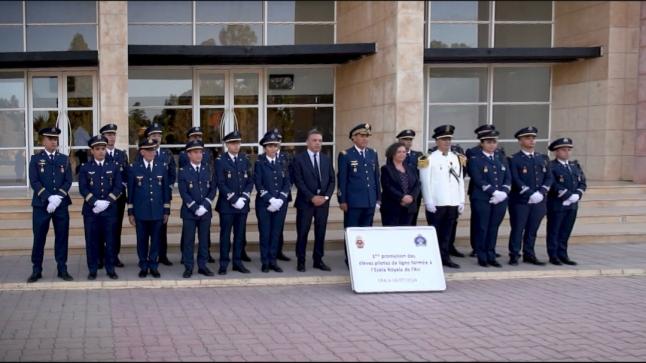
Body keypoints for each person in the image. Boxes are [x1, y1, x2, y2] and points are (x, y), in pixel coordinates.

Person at [27, 127, 73, 283]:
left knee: (62, 237)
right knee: (39, 237)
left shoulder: (64, 159)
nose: (54, 141)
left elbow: (68, 181)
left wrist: (58, 198)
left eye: (56, 139)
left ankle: (62, 268)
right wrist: (48, 198)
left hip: (60, 205)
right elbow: (34, 181)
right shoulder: (35, 159)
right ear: (43, 141)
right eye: (51, 139)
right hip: (41, 206)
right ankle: (36, 269)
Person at [420, 125, 465, 268]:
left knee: (447, 233)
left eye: (449, 139)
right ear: (437, 141)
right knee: (434, 232)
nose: (447, 142)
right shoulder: (427, 158)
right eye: (444, 139)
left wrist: (461, 200)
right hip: (437, 203)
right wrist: (428, 201)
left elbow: (460, 181)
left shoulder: (457, 158)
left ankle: (445, 257)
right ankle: (432, 258)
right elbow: (425, 182)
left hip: (452, 202)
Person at [79, 135, 123, 280]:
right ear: (92, 151)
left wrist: (107, 202)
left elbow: (118, 187)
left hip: (109, 211)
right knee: (92, 241)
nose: (101, 152)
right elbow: (83, 188)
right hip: (91, 212)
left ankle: (110, 269)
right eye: (97, 149)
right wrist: (95, 202)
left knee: (110, 241)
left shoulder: (114, 166)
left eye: (103, 148)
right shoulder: (85, 168)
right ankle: (92, 269)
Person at [507, 126, 553, 266]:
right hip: (520, 200)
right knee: (518, 228)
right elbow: (515, 179)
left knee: (532, 229)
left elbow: (549, 177)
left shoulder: (542, 158)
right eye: (527, 138)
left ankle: (529, 254)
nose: (531, 141)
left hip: (539, 200)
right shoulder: (514, 159)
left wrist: (541, 192)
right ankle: (514, 254)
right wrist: (529, 193)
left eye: (533, 138)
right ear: (520, 141)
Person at [337, 123, 381, 265]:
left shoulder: (372, 153)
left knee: (367, 230)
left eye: (367, 136)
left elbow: (376, 177)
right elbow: (342, 179)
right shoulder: (346, 155)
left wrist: (378, 198)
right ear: (353, 138)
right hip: (353, 201)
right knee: (352, 231)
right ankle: (351, 258)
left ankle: (364, 257)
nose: (365, 139)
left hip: (369, 200)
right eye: (361, 136)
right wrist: (342, 200)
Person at [292, 129, 335, 272]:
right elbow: (298, 181)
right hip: (305, 202)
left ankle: (318, 260)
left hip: (323, 203)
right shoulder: (299, 159)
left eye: (320, 141)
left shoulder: (326, 159)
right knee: (303, 232)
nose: (317, 143)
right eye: (314, 140)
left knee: (320, 232)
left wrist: (326, 197)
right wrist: (312, 197)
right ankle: (301, 261)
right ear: (307, 142)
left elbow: (332, 180)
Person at [467, 129, 511, 268]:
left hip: (500, 198)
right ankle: (482, 256)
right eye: (488, 142)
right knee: (482, 227)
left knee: (493, 227)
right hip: (482, 198)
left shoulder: (500, 157)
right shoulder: (475, 159)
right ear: (482, 143)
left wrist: (503, 192)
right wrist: (493, 192)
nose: (492, 145)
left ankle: (491, 254)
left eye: (494, 142)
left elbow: (508, 177)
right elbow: (477, 179)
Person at [127, 139, 171, 278]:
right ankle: (143, 265)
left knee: (156, 240)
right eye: (149, 150)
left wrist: (166, 210)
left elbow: (165, 191)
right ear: (142, 152)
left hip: (157, 211)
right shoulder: (134, 167)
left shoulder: (161, 166)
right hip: (141, 212)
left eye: (153, 150)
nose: (152, 152)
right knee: (142, 240)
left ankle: (153, 265)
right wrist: (130, 212)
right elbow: (131, 191)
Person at [214, 130, 253, 275]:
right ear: (227, 145)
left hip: (242, 205)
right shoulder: (220, 161)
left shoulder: (244, 159)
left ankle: (237, 262)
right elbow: (221, 182)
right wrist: (234, 199)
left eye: (238, 143)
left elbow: (250, 181)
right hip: (227, 206)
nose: (236, 146)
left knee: (239, 235)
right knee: (225, 235)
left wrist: (244, 198)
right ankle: (224, 263)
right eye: (233, 143)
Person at [178, 140, 217, 278]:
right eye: (195, 152)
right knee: (188, 241)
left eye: (200, 152)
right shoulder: (183, 171)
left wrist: (205, 205)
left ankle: (203, 265)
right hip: (189, 212)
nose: (199, 155)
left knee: (204, 240)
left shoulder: (208, 169)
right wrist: (195, 207)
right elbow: (184, 192)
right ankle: (188, 266)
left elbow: (213, 189)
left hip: (205, 211)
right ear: (189, 154)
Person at [254, 130, 291, 273]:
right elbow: (258, 184)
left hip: (280, 205)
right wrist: (270, 200)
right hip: (264, 204)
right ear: (265, 147)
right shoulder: (259, 162)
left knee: (276, 233)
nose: (273, 149)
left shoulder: (283, 161)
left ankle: (273, 260)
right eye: (270, 146)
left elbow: (287, 182)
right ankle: (265, 261)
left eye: (275, 145)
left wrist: (280, 200)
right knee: (265, 233)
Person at [546, 137, 587, 266]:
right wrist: (567, 195)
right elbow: (552, 183)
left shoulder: (574, 166)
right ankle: (553, 255)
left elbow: (582, 182)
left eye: (569, 150)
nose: (567, 152)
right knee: (554, 230)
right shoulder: (551, 166)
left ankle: (563, 254)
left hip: (572, 205)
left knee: (566, 230)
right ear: (556, 152)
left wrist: (578, 194)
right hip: (557, 204)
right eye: (564, 150)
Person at [143, 123, 176, 266]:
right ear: (148, 137)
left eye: (159, 135)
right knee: (147, 227)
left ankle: (162, 255)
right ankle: (148, 256)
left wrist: (167, 189)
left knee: (163, 225)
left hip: (163, 196)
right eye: (153, 135)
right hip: (148, 196)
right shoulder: (144, 152)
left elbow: (172, 173)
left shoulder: (167, 154)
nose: (157, 138)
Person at [99, 123, 128, 268]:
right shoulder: (98, 152)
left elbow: (126, 175)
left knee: (116, 228)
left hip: (118, 198)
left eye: (113, 135)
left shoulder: (121, 154)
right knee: (101, 228)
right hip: (102, 196)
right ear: (103, 136)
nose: (111, 137)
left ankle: (114, 256)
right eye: (108, 135)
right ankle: (101, 257)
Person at [380, 142, 420, 226]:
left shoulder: (411, 169)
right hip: (392, 208)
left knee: (406, 234)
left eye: (404, 152)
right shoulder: (386, 169)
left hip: (409, 208)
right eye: (399, 152)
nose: (402, 154)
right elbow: (387, 187)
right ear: (393, 154)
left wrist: (412, 197)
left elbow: (417, 184)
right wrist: (402, 198)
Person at [397, 129, 423, 225]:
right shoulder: (394, 155)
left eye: (410, 139)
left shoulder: (418, 155)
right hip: (401, 193)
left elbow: (421, 174)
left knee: (413, 220)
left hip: (415, 193)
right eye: (405, 139)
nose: (408, 141)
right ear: (400, 141)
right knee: (400, 220)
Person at [274, 130, 293, 262]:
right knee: (270, 227)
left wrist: (282, 194)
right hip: (269, 198)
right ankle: (270, 252)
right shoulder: (263, 157)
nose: (277, 143)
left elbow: (290, 177)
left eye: (279, 141)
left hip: (283, 197)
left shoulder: (287, 156)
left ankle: (279, 251)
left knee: (279, 226)